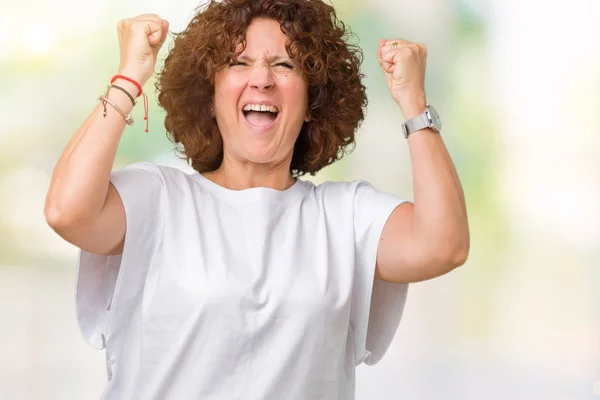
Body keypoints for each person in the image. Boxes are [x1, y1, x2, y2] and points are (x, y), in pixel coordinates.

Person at [44, 0, 470, 398]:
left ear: (311, 102)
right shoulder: (159, 199)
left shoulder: (345, 217)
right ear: (209, 97)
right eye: (239, 62)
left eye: (284, 64)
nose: (262, 78)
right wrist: (128, 77)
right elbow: (68, 212)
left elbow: (443, 245)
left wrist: (414, 103)